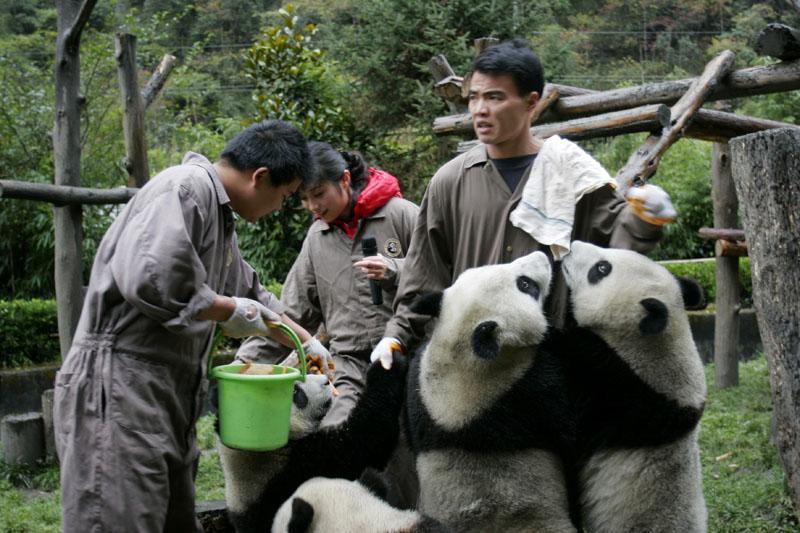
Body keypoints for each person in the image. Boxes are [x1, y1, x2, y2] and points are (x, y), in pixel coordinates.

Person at [53, 120, 333, 533]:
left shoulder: (221, 218)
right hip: (118, 386)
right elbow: (151, 278)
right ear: (261, 177)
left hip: (168, 395)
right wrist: (226, 309)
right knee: (116, 519)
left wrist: (306, 341)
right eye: (285, 195)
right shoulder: (184, 188)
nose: (279, 208)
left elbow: (253, 298)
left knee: (170, 518)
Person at [370, 39, 677, 368]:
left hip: (552, 365)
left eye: (495, 97)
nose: (479, 109)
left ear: (531, 102)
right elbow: (422, 275)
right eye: (473, 97)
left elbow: (614, 248)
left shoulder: (569, 172)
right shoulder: (450, 181)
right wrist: (396, 335)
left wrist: (645, 216)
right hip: (471, 365)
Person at [237, 140, 419, 428]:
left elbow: (440, 276)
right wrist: (243, 365)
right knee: (336, 433)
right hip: (350, 365)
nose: (314, 207)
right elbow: (290, 313)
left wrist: (394, 269)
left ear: (344, 180)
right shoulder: (316, 239)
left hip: (409, 357)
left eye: (319, 194)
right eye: (304, 199)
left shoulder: (401, 214)